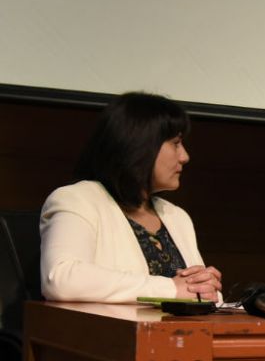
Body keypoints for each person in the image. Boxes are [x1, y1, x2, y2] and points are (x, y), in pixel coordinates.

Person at [40, 92, 222, 303]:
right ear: (141, 145)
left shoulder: (176, 216)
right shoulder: (76, 199)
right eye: (175, 143)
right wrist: (170, 288)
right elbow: (62, 279)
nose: (184, 156)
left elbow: (193, 293)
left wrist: (208, 288)